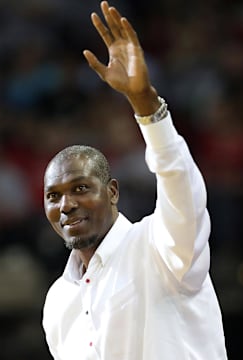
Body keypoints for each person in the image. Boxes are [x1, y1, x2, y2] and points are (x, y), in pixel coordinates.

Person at [42, 2, 228, 359]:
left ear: (112, 192)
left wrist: (146, 105)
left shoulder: (160, 246)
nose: (66, 205)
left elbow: (179, 186)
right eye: (54, 196)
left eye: (81, 188)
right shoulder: (57, 301)